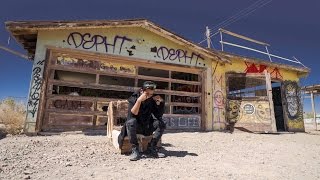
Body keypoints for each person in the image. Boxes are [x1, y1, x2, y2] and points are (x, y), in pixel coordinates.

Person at [118, 81, 166, 161]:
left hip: (146, 126)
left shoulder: (151, 100)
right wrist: (139, 100)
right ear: (141, 91)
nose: (149, 96)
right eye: (147, 94)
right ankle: (135, 149)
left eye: (151, 94)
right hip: (135, 128)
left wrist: (161, 103)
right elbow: (133, 113)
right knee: (131, 122)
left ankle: (151, 147)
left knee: (161, 123)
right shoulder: (134, 98)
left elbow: (158, 115)